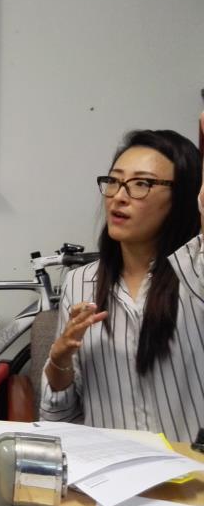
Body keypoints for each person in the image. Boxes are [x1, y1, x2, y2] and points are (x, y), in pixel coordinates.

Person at [41, 127, 204, 442]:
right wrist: (59, 362)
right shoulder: (80, 282)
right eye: (114, 181)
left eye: (142, 184)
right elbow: (60, 420)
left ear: (182, 197)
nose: (119, 196)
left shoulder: (195, 274)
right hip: (108, 466)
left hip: (190, 468)